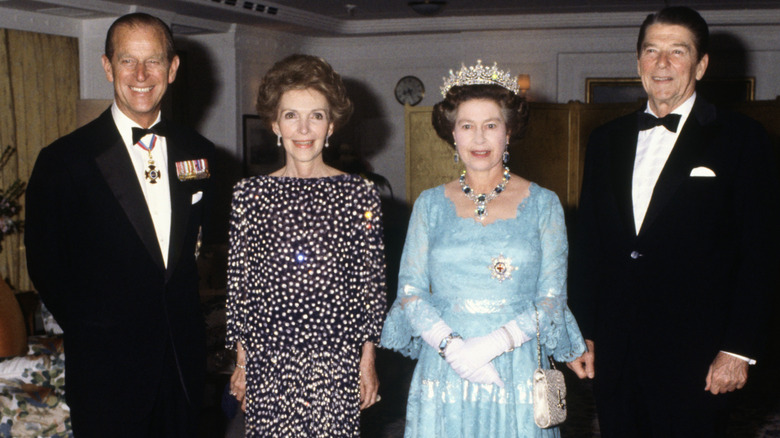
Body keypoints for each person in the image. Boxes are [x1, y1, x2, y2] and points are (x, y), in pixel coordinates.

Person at [567, 6, 780, 437]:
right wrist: (583, 329)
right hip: (616, 350)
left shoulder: (744, 139)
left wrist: (738, 349)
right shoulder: (605, 140)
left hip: (699, 355)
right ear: (638, 61)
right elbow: (588, 244)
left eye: (677, 52)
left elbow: (763, 252)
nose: (661, 64)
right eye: (651, 51)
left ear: (701, 65)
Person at [24, 13, 215, 437]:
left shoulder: (198, 152)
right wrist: (98, 330)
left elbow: (197, 250)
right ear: (108, 66)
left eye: (154, 61)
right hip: (106, 371)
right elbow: (46, 265)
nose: (142, 75)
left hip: (182, 367)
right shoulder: (64, 161)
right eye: (128, 61)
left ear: (173, 67)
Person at [380, 60, 586, 437]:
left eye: (490, 125)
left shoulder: (544, 203)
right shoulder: (429, 203)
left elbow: (552, 298)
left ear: (508, 132)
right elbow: (409, 291)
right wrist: (455, 349)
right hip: (445, 366)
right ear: (452, 134)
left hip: (517, 364)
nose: (479, 139)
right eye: (467, 126)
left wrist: (491, 345)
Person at [225, 54, 386, 437]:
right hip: (269, 359)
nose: (304, 128)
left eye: (316, 115)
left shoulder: (359, 194)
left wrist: (367, 362)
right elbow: (241, 285)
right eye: (291, 115)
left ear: (331, 125)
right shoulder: (250, 195)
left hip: (335, 359)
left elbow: (372, 287)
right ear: (274, 124)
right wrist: (242, 364)